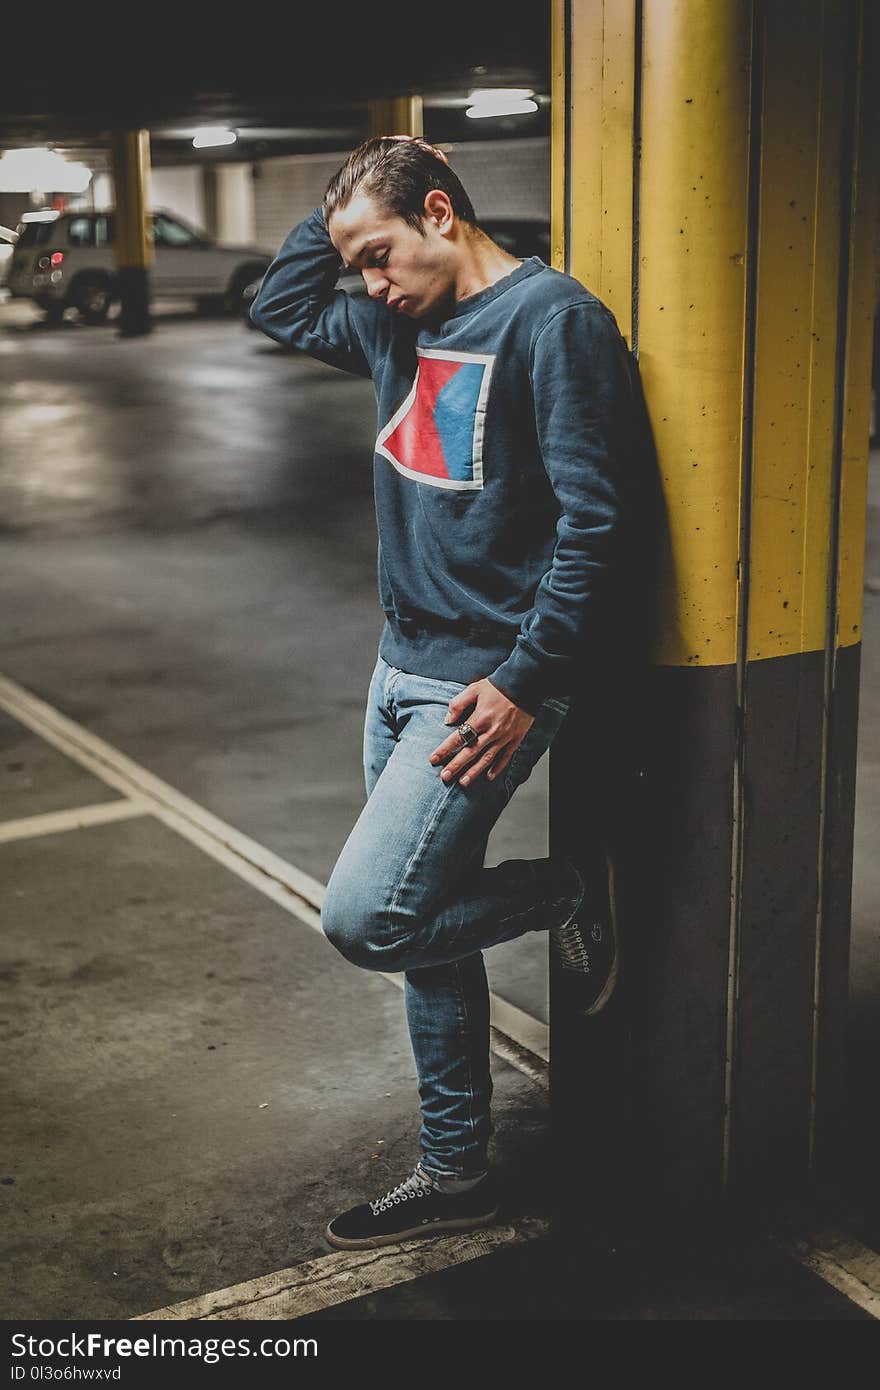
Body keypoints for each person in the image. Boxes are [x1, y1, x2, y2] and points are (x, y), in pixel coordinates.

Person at [250, 135, 655, 1251]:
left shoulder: (553, 322)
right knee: (427, 936)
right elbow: (280, 307)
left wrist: (528, 679)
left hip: (479, 688)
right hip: (396, 665)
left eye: (379, 254)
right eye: (359, 266)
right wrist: (339, 206)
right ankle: (455, 1169)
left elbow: (596, 521)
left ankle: (566, 889)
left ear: (442, 212)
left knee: (369, 915)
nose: (368, 285)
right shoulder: (395, 318)